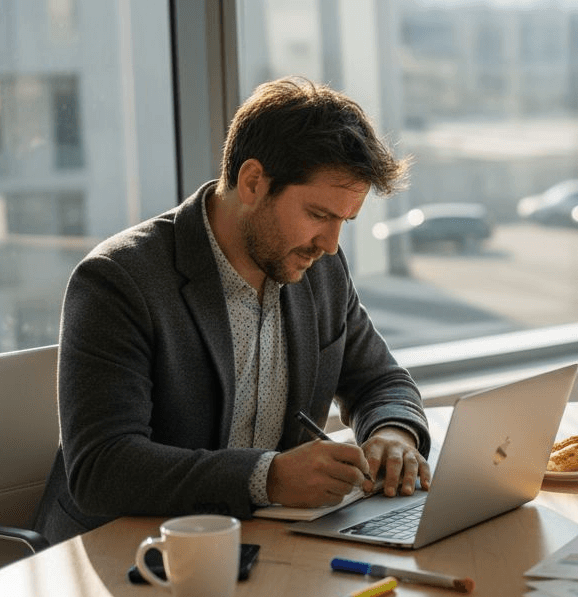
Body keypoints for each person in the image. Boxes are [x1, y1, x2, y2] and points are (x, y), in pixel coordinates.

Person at [34, 77, 432, 544]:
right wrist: (269, 477)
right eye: (319, 215)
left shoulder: (319, 268)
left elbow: (379, 380)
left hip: (261, 543)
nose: (330, 244)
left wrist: (393, 434)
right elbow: (103, 468)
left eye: (344, 221)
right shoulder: (118, 280)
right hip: (127, 552)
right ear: (252, 183)